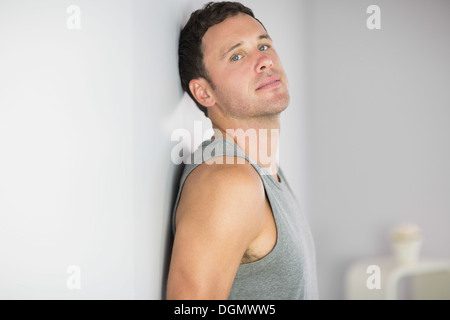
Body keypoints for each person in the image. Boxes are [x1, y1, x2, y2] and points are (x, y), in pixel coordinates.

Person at [166, 1, 318, 300]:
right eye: (237, 56)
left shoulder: (264, 171)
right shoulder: (228, 181)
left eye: (264, 46)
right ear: (204, 92)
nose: (264, 61)